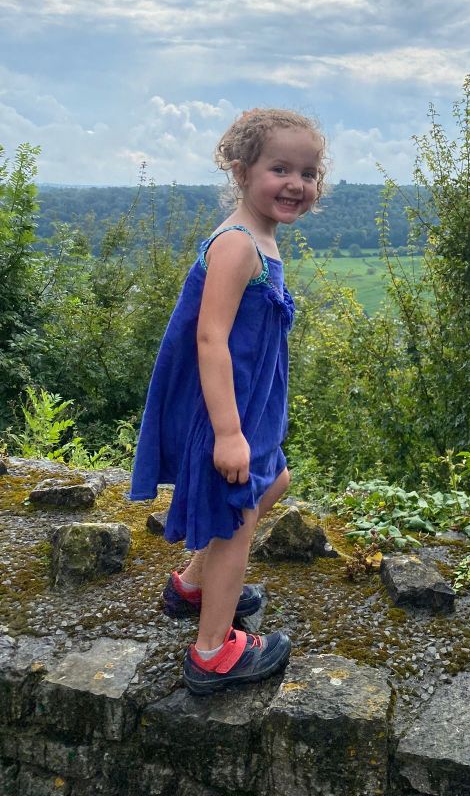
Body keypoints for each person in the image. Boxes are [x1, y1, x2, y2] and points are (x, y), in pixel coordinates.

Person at [129, 107, 326, 694]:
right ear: (241, 172)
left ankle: (193, 584)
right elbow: (210, 338)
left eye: (308, 172)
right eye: (280, 169)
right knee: (239, 516)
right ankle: (213, 651)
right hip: (229, 410)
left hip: (251, 404)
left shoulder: (260, 237)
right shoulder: (238, 244)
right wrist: (228, 432)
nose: (296, 184)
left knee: (275, 480)